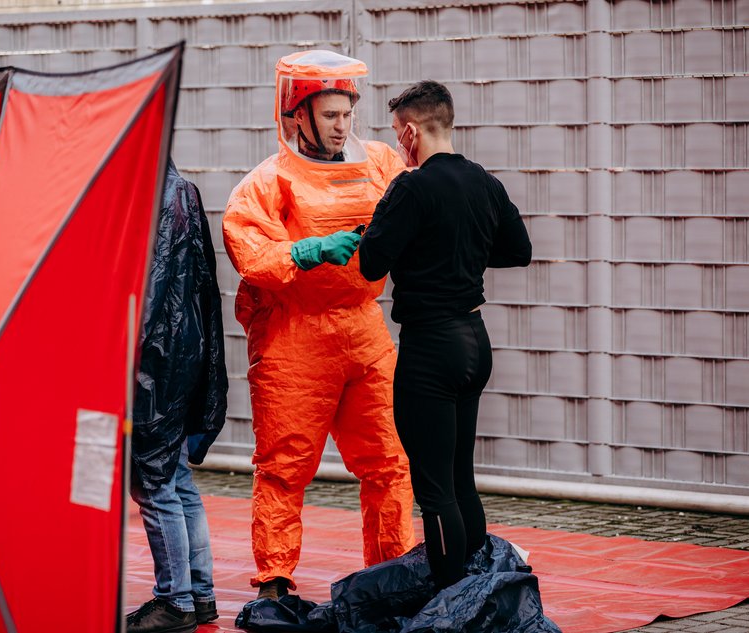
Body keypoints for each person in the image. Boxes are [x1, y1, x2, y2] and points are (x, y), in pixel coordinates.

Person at [222, 49, 416, 600]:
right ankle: (275, 582)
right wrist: (306, 251)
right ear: (298, 115)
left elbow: (419, 205)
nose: (341, 126)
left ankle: (393, 575)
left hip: (364, 329)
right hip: (294, 337)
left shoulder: (380, 163)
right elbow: (250, 252)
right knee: (284, 467)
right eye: (330, 115)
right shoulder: (268, 181)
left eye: (347, 114)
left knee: (389, 461)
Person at [358, 80, 532, 590]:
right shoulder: (484, 182)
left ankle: (451, 601)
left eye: (397, 133)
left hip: (431, 348)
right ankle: (476, 591)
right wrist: (463, 249)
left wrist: (388, 231)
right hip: (474, 341)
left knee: (434, 491)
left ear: (411, 132)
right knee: (460, 479)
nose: (397, 144)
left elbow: (371, 263)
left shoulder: (410, 188)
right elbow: (518, 250)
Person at [126, 159, 229, 633]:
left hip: (154, 361)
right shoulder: (182, 188)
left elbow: (148, 292)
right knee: (176, 478)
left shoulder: (147, 196)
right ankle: (200, 594)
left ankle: (175, 600)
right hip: (184, 352)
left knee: (152, 483)